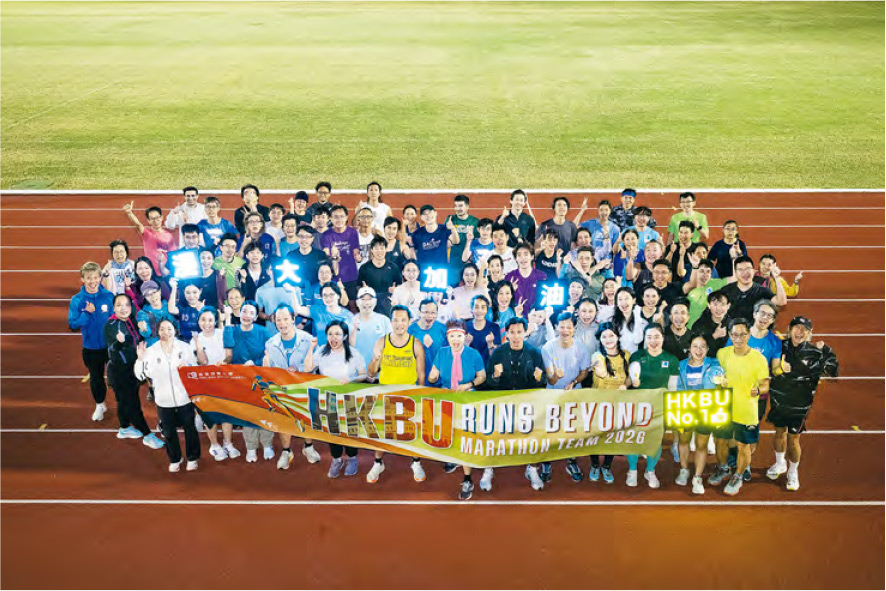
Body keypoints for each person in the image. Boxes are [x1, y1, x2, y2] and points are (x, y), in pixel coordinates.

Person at [766, 316, 839, 491]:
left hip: (799, 406)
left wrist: (825, 350)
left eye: (804, 329)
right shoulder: (778, 347)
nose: (799, 332)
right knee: (779, 434)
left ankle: (793, 472)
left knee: (793, 440)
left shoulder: (816, 352)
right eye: (796, 328)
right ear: (789, 329)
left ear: (809, 333)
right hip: (779, 401)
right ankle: (780, 463)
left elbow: (833, 371)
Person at [482, 317, 547, 492]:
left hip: (527, 405)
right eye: (512, 332)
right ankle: (488, 469)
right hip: (503, 403)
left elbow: (542, 384)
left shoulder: (534, 353)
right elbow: (488, 382)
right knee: (493, 436)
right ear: (507, 334)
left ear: (525, 333)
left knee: (534, 437)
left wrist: (539, 379)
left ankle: (532, 469)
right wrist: (495, 376)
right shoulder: (498, 353)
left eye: (519, 332)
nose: (516, 336)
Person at [367, 306, 427, 483]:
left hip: (408, 396)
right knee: (382, 432)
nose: (399, 324)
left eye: (403, 320)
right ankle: (378, 463)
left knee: (412, 432)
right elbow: (371, 373)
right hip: (385, 395)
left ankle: (416, 462)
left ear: (409, 322)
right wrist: (375, 360)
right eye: (396, 320)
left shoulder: (416, 344)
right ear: (390, 321)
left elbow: (421, 375)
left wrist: (420, 398)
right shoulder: (382, 342)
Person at [427, 320, 487, 500]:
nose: (455, 339)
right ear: (447, 337)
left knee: (464, 438)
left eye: (459, 336)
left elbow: (482, 376)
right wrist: (432, 377)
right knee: (450, 434)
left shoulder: (473, 354)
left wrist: (468, 385)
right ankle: (454, 459)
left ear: (465, 337)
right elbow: (433, 377)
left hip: (468, 400)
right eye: (452, 336)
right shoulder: (442, 352)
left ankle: (468, 479)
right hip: (448, 399)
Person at [711, 318, 770, 496]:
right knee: (720, 441)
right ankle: (723, 468)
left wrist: (758, 390)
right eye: (734, 335)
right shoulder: (722, 353)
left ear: (749, 334)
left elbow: (765, 385)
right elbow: (715, 375)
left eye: (742, 334)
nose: (738, 339)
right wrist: (718, 381)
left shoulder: (759, 359)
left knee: (743, 445)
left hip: (746, 410)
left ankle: (738, 475)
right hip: (724, 407)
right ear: (729, 335)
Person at [135, 319, 201, 472]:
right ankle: (175, 459)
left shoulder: (184, 347)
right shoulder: (151, 351)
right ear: (157, 332)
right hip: (163, 400)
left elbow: (194, 368)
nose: (166, 332)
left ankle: (192, 458)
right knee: (168, 432)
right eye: (162, 329)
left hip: (184, 398)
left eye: (169, 328)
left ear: (175, 330)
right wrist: (140, 359)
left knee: (190, 428)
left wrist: (188, 367)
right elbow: (140, 375)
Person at [304, 320, 367, 478]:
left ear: (345, 336)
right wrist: (311, 348)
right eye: (330, 334)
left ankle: (352, 458)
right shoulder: (321, 351)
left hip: (349, 398)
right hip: (328, 398)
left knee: (350, 431)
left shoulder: (353, 353)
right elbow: (307, 369)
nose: (334, 337)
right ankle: (337, 459)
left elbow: (363, 375)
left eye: (338, 334)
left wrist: (351, 379)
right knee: (332, 431)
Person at [105, 293, 166, 448]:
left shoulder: (131, 320)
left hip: (133, 369)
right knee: (133, 404)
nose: (123, 308)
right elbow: (112, 350)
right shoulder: (112, 325)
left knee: (124, 401)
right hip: (120, 372)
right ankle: (147, 435)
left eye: (126, 304)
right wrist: (119, 343)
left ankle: (124, 428)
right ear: (114, 308)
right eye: (119, 305)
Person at [263, 304, 318, 471]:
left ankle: (308, 446)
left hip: (303, 386)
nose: (282, 323)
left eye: (286, 319)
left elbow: (314, 364)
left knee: (306, 418)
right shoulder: (270, 343)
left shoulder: (308, 339)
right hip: (281, 389)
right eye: (278, 320)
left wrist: (298, 369)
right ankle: (286, 451)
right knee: (283, 420)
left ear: (293, 319)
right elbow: (269, 370)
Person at [625, 324, 680, 488]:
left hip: (659, 407)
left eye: (657, 337)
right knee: (634, 438)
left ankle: (650, 470)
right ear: (645, 339)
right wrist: (628, 384)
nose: (653, 341)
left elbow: (672, 387)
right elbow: (632, 378)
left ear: (663, 338)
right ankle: (632, 470)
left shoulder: (671, 360)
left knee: (655, 441)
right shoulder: (637, 356)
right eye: (649, 337)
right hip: (638, 405)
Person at [540, 312, 591, 482]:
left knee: (572, 430)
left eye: (569, 327)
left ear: (574, 328)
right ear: (556, 328)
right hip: (552, 396)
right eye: (562, 327)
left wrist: (574, 382)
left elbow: (584, 372)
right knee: (550, 430)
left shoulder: (582, 348)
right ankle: (546, 461)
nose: (565, 330)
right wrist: (556, 376)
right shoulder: (547, 348)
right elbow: (550, 379)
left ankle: (572, 461)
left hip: (574, 395)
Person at [579, 322, 631, 483]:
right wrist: (603, 372)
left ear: (617, 337)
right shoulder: (597, 356)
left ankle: (607, 466)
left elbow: (630, 377)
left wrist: (625, 385)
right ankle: (595, 464)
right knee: (594, 437)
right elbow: (600, 370)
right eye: (604, 336)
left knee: (612, 437)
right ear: (600, 339)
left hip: (617, 404)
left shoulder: (626, 355)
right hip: (597, 404)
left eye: (611, 335)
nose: (608, 339)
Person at [223, 300, 274, 461]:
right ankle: (251, 447)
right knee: (248, 413)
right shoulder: (232, 330)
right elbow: (228, 345)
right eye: (244, 311)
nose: (247, 315)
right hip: (241, 379)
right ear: (239, 313)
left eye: (251, 313)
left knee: (265, 410)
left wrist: (255, 363)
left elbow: (269, 353)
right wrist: (227, 320)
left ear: (256, 317)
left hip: (261, 376)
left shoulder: (263, 331)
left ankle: (267, 444)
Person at [677, 334, 724, 495]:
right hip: (685, 409)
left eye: (703, 346)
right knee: (683, 440)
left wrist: (720, 380)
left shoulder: (714, 364)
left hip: (705, 410)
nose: (699, 350)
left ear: (708, 349)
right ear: (689, 348)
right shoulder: (680, 366)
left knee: (701, 445)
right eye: (695, 346)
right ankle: (684, 470)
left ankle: (697, 477)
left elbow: (718, 377)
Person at [191, 306, 239, 461]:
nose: (207, 323)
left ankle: (228, 443)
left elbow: (229, 356)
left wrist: (224, 362)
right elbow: (203, 362)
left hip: (224, 381)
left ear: (215, 321)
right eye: (203, 320)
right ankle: (214, 445)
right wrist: (197, 343)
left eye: (210, 320)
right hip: (205, 384)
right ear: (198, 321)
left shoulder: (222, 333)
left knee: (226, 414)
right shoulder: (195, 339)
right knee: (210, 415)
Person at [69, 261, 115, 421]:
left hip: (111, 346)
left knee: (118, 377)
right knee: (96, 378)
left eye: (95, 277)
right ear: (82, 279)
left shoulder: (109, 296)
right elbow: (73, 323)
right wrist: (87, 313)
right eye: (88, 278)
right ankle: (100, 405)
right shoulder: (77, 300)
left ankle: (124, 405)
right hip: (91, 348)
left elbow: (116, 318)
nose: (92, 281)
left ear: (100, 278)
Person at [720, 255, 786, 321]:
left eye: (748, 269)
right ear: (735, 272)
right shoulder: (726, 290)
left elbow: (781, 301)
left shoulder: (762, 291)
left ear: (753, 270)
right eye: (740, 270)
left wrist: (776, 278)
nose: (745, 273)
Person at [122, 202, 179, 273]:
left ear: (161, 217)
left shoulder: (169, 236)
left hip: (165, 272)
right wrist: (129, 213)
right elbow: (138, 225)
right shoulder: (147, 234)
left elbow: (172, 254)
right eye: (152, 219)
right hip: (150, 273)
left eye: (157, 217)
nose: (155, 221)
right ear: (148, 221)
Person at [322, 204, 361, 302]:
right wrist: (332, 256)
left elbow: (355, 249)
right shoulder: (326, 235)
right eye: (335, 217)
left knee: (352, 305)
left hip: (351, 276)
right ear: (330, 218)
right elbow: (326, 253)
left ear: (346, 217)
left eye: (341, 216)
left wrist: (357, 256)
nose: (339, 220)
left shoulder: (353, 232)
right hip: (334, 278)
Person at [352, 286, 393, 375]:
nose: (366, 302)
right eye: (363, 299)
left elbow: (391, 346)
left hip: (379, 373)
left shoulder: (384, 320)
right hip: (357, 374)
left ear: (375, 301)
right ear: (357, 302)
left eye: (370, 299)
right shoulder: (350, 321)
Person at [357, 236, 401, 316]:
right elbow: (358, 287)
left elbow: (400, 286)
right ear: (372, 250)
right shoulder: (364, 268)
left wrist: (396, 290)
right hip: (370, 304)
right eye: (376, 248)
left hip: (388, 303)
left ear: (386, 249)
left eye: (381, 248)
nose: (379, 251)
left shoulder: (393, 267)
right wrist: (363, 290)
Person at [409, 298, 448, 382]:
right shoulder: (410, 330)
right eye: (426, 312)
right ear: (419, 312)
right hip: (416, 380)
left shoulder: (442, 329)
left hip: (438, 380)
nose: (429, 316)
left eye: (433, 312)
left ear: (437, 314)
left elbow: (448, 355)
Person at [410, 204, 459, 268]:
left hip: (441, 269)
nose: (428, 216)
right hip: (424, 270)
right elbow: (414, 253)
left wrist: (452, 228)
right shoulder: (417, 234)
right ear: (421, 217)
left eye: (430, 212)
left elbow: (456, 241)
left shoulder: (444, 229)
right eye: (425, 214)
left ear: (435, 213)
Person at [684, 259, 730, 326]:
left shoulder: (715, 283)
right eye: (701, 271)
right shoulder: (690, 286)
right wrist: (694, 266)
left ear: (711, 274)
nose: (705, 274)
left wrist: (734, 258)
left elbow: (735, 278)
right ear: (696, 272)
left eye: (708, 272)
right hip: (689, 327)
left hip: (707, 327)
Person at [444, 194, 478, 284]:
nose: (457, 208)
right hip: (453, 263)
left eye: (460, 206)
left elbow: (479, 243)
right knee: (452, 287)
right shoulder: (450, 220)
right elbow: (444, 239)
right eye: (456, 206)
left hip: (468, 263)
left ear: (467, 206)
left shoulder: (475, 222)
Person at [506, 243, 548, 316]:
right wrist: (510, 291)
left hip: (536, 317)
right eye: (519, 255)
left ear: (532, 256)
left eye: (526, 254)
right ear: (516, 259)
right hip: (516, 317)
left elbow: (545, 300)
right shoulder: (509, 277)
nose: (523, 258)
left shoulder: (541, 276)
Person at [136, 280, 176, 346]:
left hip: (172, 342)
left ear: (159, 291)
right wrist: (144, 328)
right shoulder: (143, 313)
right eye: (148, 295)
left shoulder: (168, 306)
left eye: (154, 292)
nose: (152, 296)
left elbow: (176, 324)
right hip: (154, 345)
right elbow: (147, 333)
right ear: (145, 297)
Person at [693, 290, 731, 355]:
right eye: (715, 304)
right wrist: (714, 336)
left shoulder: (733, 325)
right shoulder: (699, 325)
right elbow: (695, 349)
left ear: (728, 306)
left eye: (723, 304)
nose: (719, 308)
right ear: (709, 305)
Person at [464, 295, 500, 365]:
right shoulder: (465, 327)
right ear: (471, 309)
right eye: (476, 307)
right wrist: (466, 344)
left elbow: (496, 358)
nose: (479, 311)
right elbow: (461, 357)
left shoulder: (494, 328)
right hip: (470, 367)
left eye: (483, 307)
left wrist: (490, 344)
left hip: (488, 367)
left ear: (487, 310)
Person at [613, 287, 647, 353]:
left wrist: (637, 316)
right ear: (617, 303)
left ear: (633, 300)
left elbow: (637, 340)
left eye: (626, 298)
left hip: (635, 357)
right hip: (618, 357)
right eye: (620, 299)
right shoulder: (613, 321)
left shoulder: (642, 322)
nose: (623, 302)